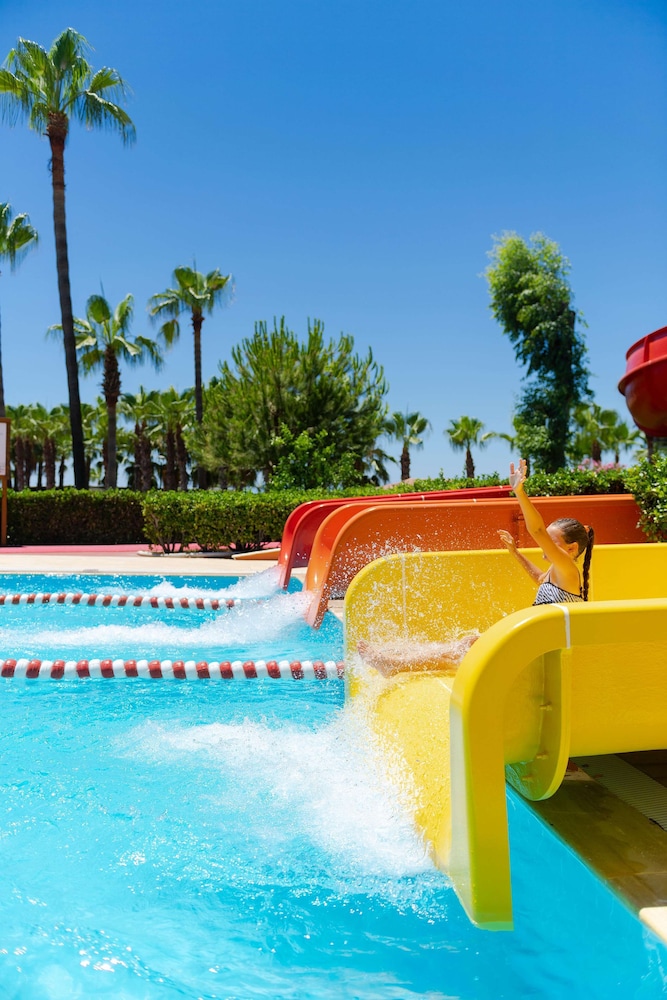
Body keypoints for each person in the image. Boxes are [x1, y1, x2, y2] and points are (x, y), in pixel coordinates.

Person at [358, 459, 595, 677]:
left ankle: (393, 666)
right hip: (534, 640)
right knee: (468, 642)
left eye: (551, 543)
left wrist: (519, 492)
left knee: (463, 658)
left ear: (571, 548)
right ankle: (395, 655)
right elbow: (540, 579)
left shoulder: (567, 568)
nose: (545, 545)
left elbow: (537, 531)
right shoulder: (558, 572)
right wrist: (515, 553)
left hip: (541, 649)